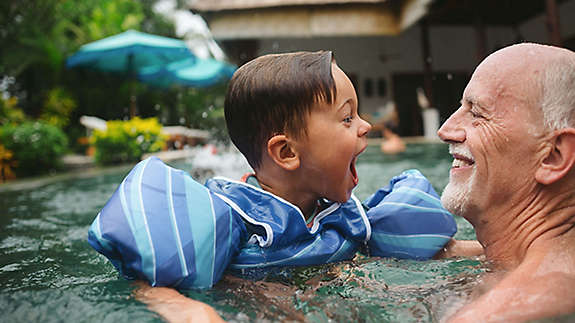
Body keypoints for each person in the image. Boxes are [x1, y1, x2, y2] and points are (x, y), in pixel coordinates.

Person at [88, 51, 470, 321]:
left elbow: (439, 253)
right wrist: (187, 310)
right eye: (347, 118)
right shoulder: (233, 221)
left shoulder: (349, 219)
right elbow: (149, 279)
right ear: (286, 151)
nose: (366, 125)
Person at [438, 43, 575, 322]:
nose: (446, 131)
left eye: (477, 113)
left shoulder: (496, 314)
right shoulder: (526, 257)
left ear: (553, 155)